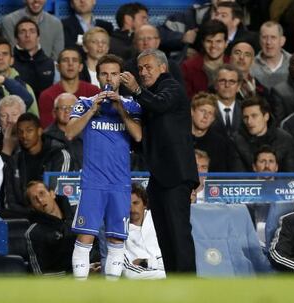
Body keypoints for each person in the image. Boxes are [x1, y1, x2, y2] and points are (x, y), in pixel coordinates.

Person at [122, 49, 199, 274]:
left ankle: (188, 287)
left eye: (148, 67)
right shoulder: (150, 95)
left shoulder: (171, 87)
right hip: (159, 176)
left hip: (176, 175)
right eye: (140, 68)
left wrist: (135, 89)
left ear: (162, 68)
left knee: (178, 235)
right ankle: (174, 282)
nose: (143, 72)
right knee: (165, 235)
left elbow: (161, 104)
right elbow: (144, 139)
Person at [67, 54, 142, 280]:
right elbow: (69, 133)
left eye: (113, 74)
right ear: (97, 76)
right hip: (93, 182)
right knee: (85, 239)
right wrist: (92, 110)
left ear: (121, 77)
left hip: (120, 184)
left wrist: (120, 108)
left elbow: (138, 136)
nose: (109, 78)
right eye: (104, 73)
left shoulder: (131, 106)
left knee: (116, 241)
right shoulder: (84, 103)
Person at [3, 113, 71, 212]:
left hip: (55, 218)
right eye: (20, 132)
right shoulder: (14, 161)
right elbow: (10, 201)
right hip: (25, 219)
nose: (24, 136)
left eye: (29, 130)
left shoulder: (59, 155)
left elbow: (59, 195)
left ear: (39, 131)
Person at [232, 96, 294, 172]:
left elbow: (292, 177)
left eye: (254, 116)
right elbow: (238, 178)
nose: (249, 121)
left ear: (266, 116)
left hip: (279, 184)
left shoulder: (285, 139)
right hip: (250, 184)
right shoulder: (236, 141)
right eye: (245, 117)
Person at [38, 47, 100, 129]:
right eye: (65, 60)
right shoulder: (47, 96)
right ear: (57, 67)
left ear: (81, 67)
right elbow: (47, 129)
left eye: (74, 60)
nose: (70, 64)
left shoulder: (94, 92)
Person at [25, 181, 76, 275]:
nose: (40, 200)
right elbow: (40, 276)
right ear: (32, 207)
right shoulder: (35, 233)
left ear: (52, 194)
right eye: (34, 199)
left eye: (42, 193)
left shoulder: (78, 217)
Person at [0, 36, 39, 116]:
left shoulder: (25, 87)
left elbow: (34, 118)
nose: (0, 58)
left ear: (12, 60)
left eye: (5, 54)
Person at [124, 182, 166, 279]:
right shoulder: (118, 228)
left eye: (136, 203)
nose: (131, 208)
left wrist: (146, 262)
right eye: (127, 204)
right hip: (139, 277)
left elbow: (173, 256)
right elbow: (127, 270)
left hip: (157, 272)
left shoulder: (159, 220)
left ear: (145, 204)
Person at [181, 19, 228, 99]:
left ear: (226, 43)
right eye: (209, 41)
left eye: (218, 41)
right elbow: (185, 99)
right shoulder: (188, 67)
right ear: (203, 43)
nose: (213, 46)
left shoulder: (233, 65)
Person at [12, 17, 55, 100]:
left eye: (32, 31)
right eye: (22, 32)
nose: (27, 35)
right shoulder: (10, 63)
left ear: (38, 37)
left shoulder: (50, 63)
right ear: (16, 39)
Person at [191, 92, 232, 172]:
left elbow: (220, 175)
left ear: (213, 119)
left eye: (210, 113)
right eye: (202, 111)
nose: (206, 116)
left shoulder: (219, 143)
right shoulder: (177, 138)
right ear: (192, 111)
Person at [44, 93, 83, 171]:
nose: (67, 111)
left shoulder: (87, 136)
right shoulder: (46, 138)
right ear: (54, 112)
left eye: (72, 107)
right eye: (63, 108)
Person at [251, 21, 291, 90]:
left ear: (282, 41)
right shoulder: (251, 65)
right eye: (264, 37)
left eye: (273, 37)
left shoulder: (293, 63)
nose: (268, 42)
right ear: (259, 41)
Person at [210, 63, 243, 138]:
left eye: (232, 82)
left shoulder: (245, 109)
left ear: (238, 86)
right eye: (222, 81)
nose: (227, 85)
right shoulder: (205, 107)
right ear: (215, 85)